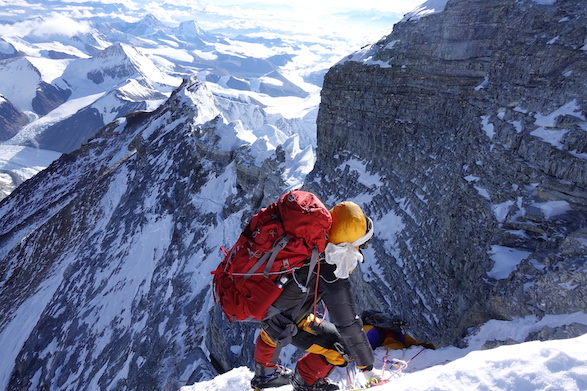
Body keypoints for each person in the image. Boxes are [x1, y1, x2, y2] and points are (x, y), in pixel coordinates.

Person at [251, 201, 380, 391]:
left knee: (274, 328)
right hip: (286, 322)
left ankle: (264, 375)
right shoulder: (330, 267)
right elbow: (348, 325)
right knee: (343, 348)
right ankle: (305, 381)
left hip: (265, 305)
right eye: (360, 244)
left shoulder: (307, 241)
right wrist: (367, 368)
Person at [361, 310, 436, 351]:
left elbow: (363, 350)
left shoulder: (369, 331)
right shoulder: (393, 331)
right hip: (402, 352)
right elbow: (411, 342)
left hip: (384, 357)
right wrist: (428, 346)